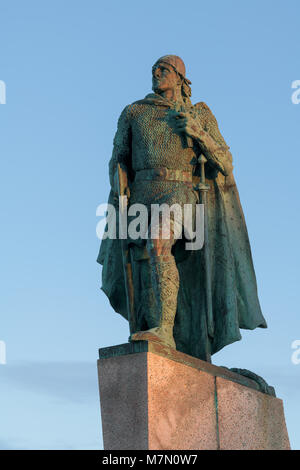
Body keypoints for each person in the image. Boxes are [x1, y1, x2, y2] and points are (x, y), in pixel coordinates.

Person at [97, 55, 267, 361]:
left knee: (157, 241)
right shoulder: (134, 112)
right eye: (154, 70)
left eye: (163, 69)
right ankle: (156, 327)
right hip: (141, 193)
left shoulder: (198, 112)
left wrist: (197, 132)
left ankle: (163, 329)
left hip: (181, 191)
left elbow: (225, 163)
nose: (156, 73)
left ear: (180, 78)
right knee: (144, 262)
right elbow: (119, 156)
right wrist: (117, 177)